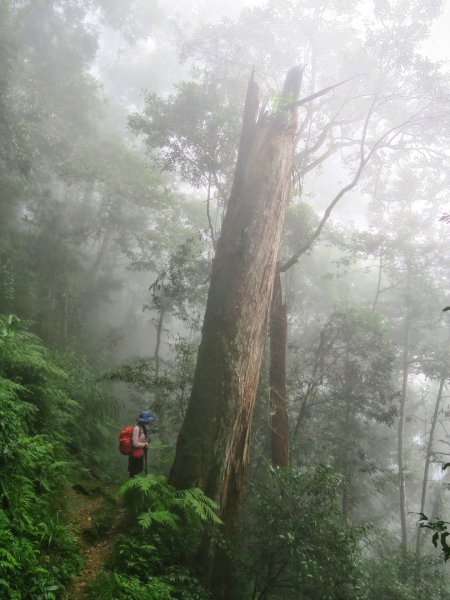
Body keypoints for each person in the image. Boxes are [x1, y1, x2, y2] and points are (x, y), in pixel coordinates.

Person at [128, 410, 154, 477]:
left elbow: (140, 439)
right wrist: (144, 444)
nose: (148, 422)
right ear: (144, 420)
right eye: (147, 420)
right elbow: (135, 444)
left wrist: (146, 441)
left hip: (139, 454)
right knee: (134, 473)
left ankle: (134, 486)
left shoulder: (142, 428)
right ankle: (132, 487)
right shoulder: (136, 428)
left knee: (138, 470)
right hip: (134, 455)